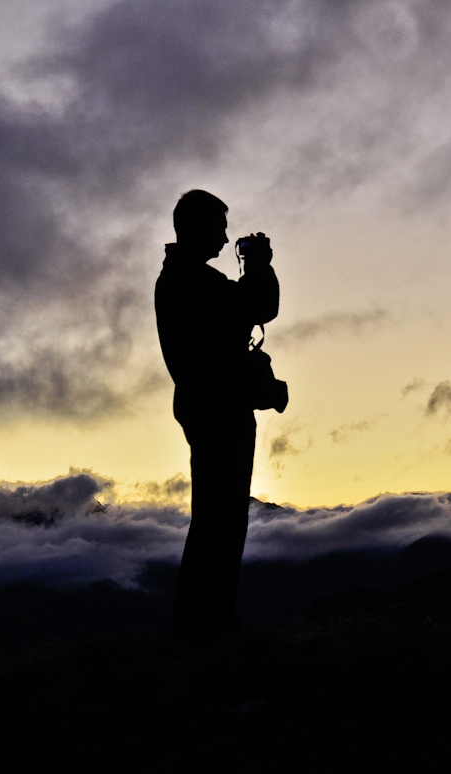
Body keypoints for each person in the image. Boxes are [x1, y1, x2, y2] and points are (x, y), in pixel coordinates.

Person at [155, 189, 282, 643]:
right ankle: (206, 632)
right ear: (198, 228)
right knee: (221, 526)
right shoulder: (192, 282)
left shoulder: (181, 279)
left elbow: (244, 310)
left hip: (205, 410)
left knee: (216, 522)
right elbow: (259, 306)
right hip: (219, 414)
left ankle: (203, 630)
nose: (226, 237)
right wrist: (260, 265)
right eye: (220, 227)